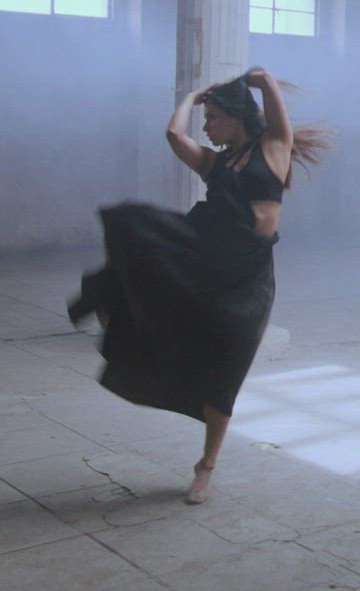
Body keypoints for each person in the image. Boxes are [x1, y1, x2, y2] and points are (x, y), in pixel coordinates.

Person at [68, 67, 330, 505]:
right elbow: (174, 137)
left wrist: (257, 79)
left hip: (246, 276)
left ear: (234, 116)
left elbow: (266, 83)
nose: (205, 127)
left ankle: (205, 466)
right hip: (204, 253)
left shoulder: (274, 148)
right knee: (134, 223)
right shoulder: (217, 162)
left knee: (227, 366)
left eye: (211, 117)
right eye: (203, 118)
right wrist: (190, 99)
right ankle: (112, 295)